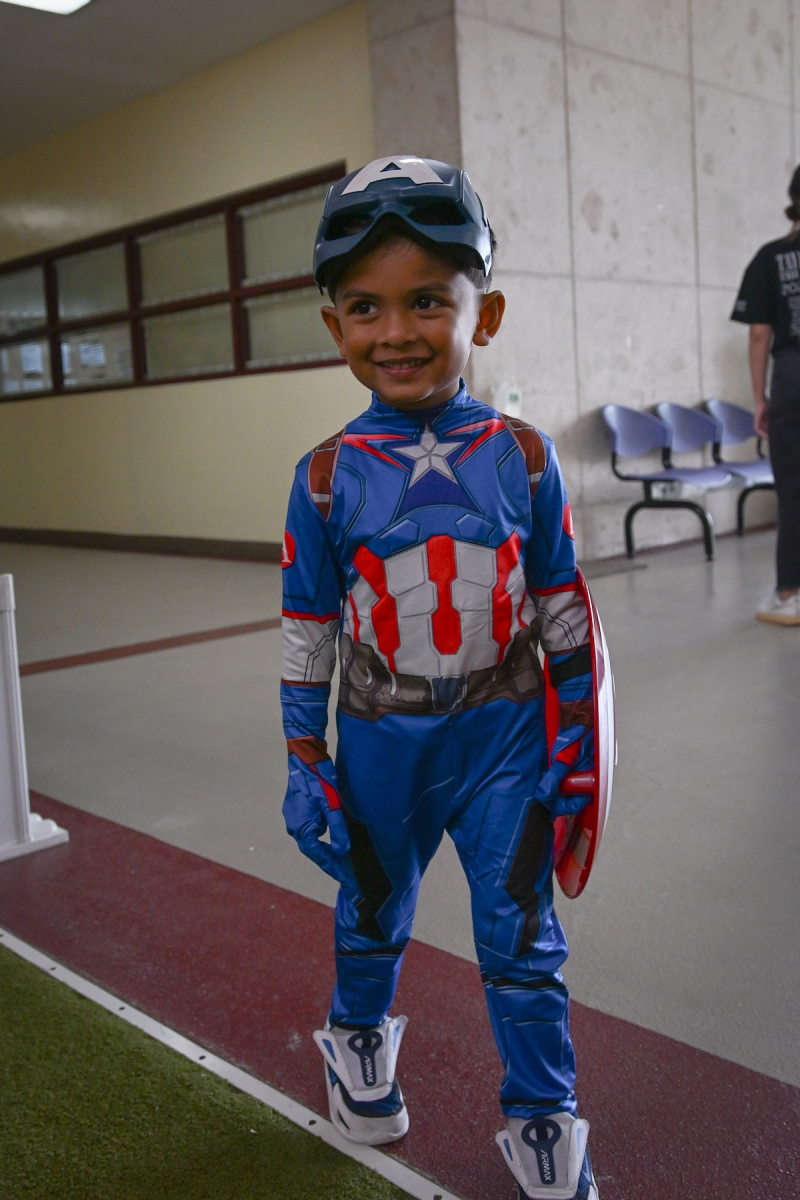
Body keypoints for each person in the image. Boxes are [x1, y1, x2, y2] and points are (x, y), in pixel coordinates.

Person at [280, 156, 599, 1200]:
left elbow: (562, 605)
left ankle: (544, 1115)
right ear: (334, 326)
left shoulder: (526, 458)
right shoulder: (323, 478)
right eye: (365, 307)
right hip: (381, 743)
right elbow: (308, 630)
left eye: (428, 300)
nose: (396, 331)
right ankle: (357, 1040)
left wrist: (577, 740)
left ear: (483, 313)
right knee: (373, 911)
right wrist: (303, 756)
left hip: (508, 736)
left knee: (523, 937)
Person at [731, 165, 800, 626]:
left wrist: (761, 398)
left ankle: (790, 593)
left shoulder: (771, 257)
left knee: (792, 491)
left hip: (792, 376)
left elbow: (760, 334)